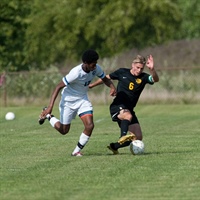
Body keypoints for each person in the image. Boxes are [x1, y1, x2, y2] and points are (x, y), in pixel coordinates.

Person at [38, 49, 116, 156]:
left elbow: (105, 79)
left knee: (90, 125)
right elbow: (58, 87)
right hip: (68, 102)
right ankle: (49, 117)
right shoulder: (75, 73)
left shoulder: (96, 69)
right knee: (64, 131)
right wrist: (50, 107)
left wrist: (112, 87)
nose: (95, 66)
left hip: (82, 100)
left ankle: (76, 151)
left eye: (96, 63)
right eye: (93, 64)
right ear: (86, 63)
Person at [89, 54, 159, 154]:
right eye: (137, 67)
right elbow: (106, 78)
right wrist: (92, 85)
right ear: (133, 65)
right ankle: (123, 136)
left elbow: (155, 79)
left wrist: (152, 69)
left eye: (141, 69)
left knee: (137, 137)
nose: (139, 70)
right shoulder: (122, 72)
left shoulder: (143, 77)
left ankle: (114, 146)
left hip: (129, 108)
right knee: (127, 115)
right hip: (117, 106)